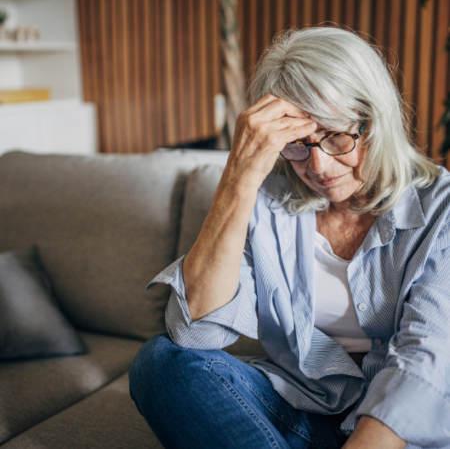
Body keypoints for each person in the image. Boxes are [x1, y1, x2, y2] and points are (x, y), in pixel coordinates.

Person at [129, 27, 450, 449]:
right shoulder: (267, 200)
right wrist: (239, 177)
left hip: (398, 429)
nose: (318, 165)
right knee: (161, 362)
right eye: (297, 144)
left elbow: (426, 361)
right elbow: (197, 335)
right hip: (302, 407)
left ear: (377, 121)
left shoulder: (441, 208)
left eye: (337, 135)